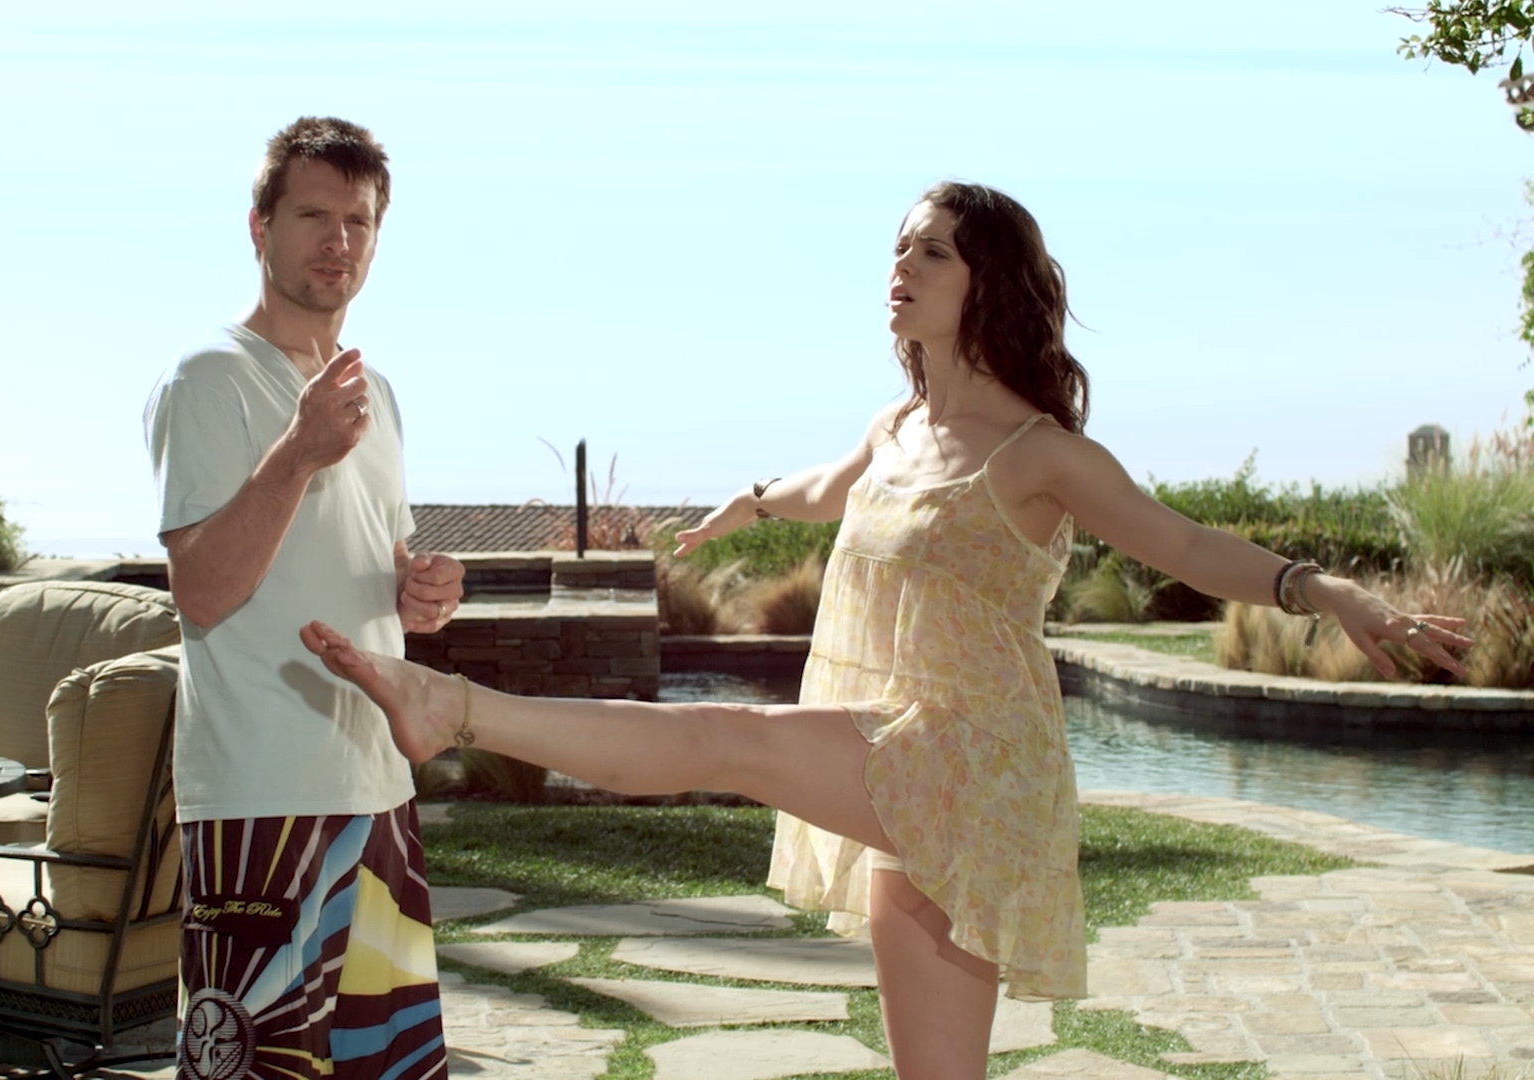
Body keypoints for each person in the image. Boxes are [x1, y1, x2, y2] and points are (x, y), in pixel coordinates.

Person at [296, 181, 1471, 1080]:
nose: (900, 267)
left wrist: (1330, 591)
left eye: (931, 250)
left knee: (734, 740)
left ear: (987, 283)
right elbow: (832, 485)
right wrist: (754, 501)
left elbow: (1188, 546)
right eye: (898, 249)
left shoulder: (1040, 454)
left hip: (981, 756)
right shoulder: (896, 428)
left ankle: (453, 707)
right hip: (906, 751)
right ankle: (452, 709)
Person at [144, 115, 462, 1080]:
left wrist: (420, 594)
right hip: (262, 795)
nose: (339, 240)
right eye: (314, 215)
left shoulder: (377, 394)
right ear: (260, 227)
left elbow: (376, 567)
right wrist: (297, 453)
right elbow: (201, 591)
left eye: (359, 220)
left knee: (386, 1068)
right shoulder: (209, 381)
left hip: (378, 789)